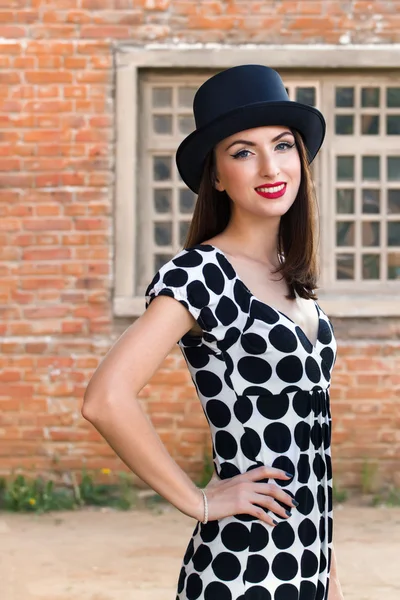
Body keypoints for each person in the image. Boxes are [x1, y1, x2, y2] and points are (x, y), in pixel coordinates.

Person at [82, 65, 344, 600]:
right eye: (244, 151)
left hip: (307, 567)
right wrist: (199, 500)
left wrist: (330, 580)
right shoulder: (202, 274)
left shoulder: (293, 280)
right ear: (218, 175)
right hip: (244, 569)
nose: (271, 166)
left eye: (283, 145)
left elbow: (310, 455)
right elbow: (106, 399)